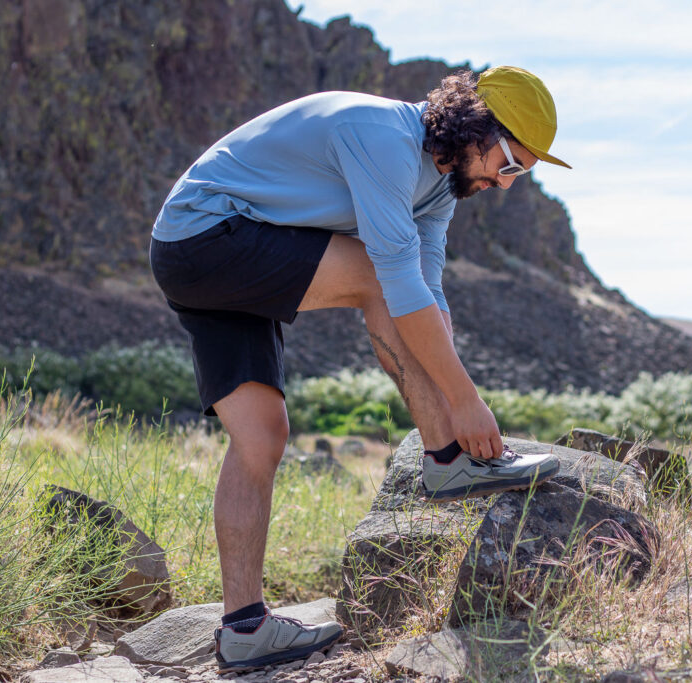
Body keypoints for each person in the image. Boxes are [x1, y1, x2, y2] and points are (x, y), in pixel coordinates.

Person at [149, 65, 571, 673]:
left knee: (261, 440)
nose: (507, 184)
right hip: (206, 237)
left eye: (521, 174)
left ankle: (243, 628)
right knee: (378, 277)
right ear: (478, 127)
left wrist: (455, 383)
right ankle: (446, 461)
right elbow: (395, 287)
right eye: (510, 164)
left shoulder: (440, 186)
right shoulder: (383, 139)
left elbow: (428, 293)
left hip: (226, 254)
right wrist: (464, 404)